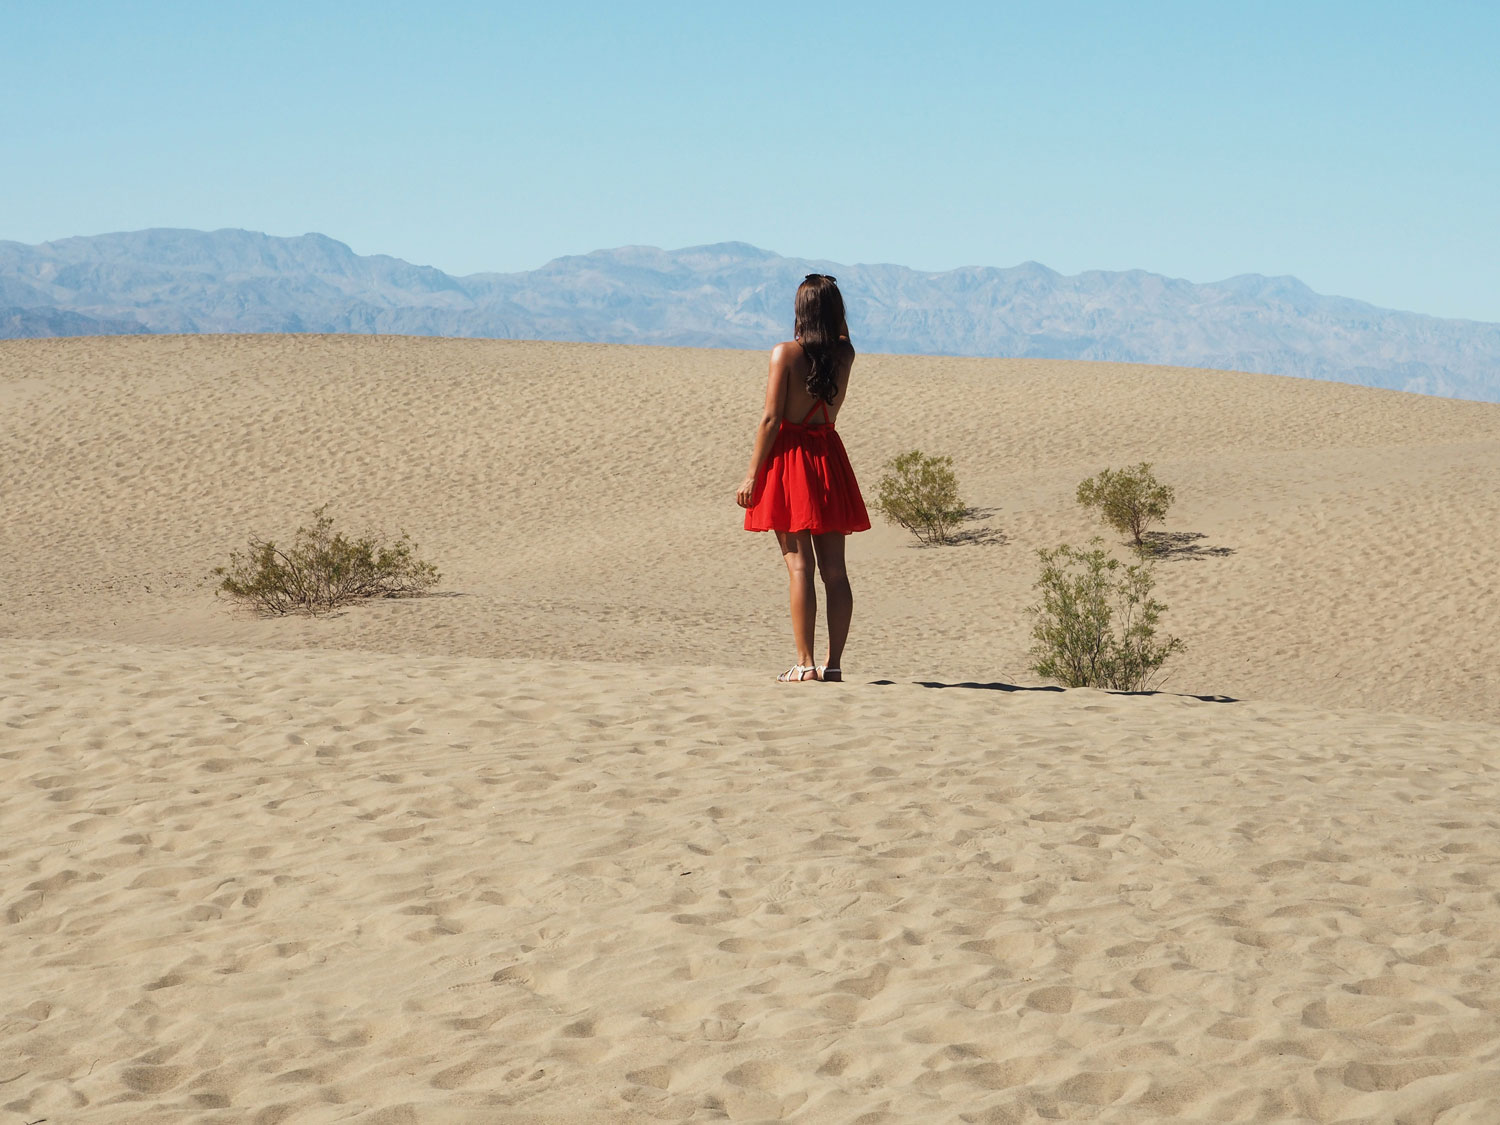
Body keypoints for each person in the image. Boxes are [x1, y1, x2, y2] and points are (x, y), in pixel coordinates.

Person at [736, 274, 871, 682]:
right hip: (829, 459)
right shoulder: (845, 354)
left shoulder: (784, 354)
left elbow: (771, 419)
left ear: (800, 312)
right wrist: (834, 315)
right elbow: (842, 334)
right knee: (836, 572)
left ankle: (805, 662)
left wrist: (751, 477)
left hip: (792, 463)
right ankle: (834, 665)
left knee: (799, 568)